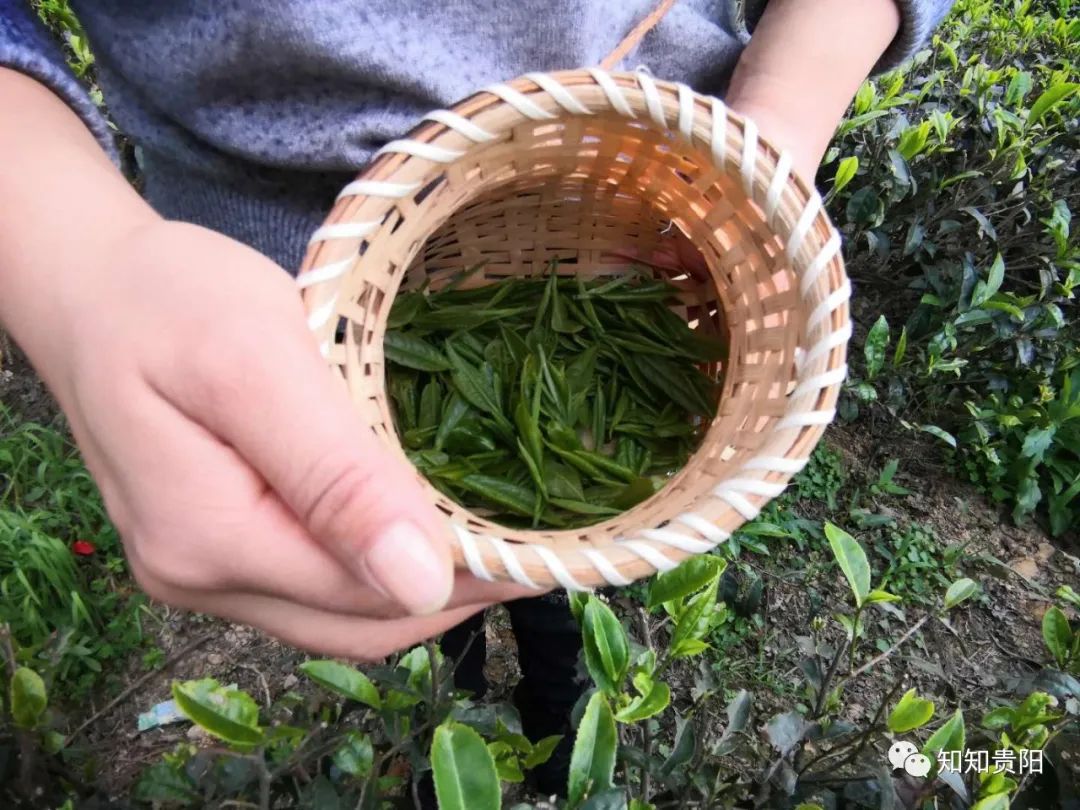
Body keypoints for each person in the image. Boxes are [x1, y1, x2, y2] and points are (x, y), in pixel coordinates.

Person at [0, 0, 953, 796]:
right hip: (276, 309)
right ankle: (442, 705)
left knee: (560, 580)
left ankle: (553, 703)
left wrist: (773, 125)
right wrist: (81, 259)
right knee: (396, 574)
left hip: (651, 223)